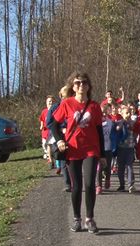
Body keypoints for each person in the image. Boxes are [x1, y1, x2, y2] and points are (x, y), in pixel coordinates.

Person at [51, 72, 104, 234]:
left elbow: (99, 130)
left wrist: (103, 155)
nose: (81, 85)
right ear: (73, 87)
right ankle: (77, 219)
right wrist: (59, 140)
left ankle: (89, 218)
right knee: (76, 186)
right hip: (72, 149)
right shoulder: (67, 103)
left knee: (89, 184)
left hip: (91, 149)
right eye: (77, 83)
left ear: (89, 86)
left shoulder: (94, 106)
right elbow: (53, 123)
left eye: (84, 82)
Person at [116, 106, 136, 193]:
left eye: (129, 113)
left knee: (129, 166)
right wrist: (122, 123)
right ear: (122, 114)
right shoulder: (119, 122)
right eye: (126, 113)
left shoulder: (133, 122)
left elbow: (135, 131)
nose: (128, 114)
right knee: (120, 167)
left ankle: (130, 184)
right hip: (121, 148)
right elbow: (117, 129)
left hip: (130, 148)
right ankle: (121, 184)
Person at [39, 97, 53, 165]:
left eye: (52, 101)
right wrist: (41, 125)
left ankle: (50, 156)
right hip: (45, 130)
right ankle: (46, 153)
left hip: (52, 130)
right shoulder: (44, 111)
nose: (50, 102)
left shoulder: (55, 110)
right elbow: (42, 119)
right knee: (44, 144)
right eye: (49, 101)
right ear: (46, 103)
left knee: (50, 144)